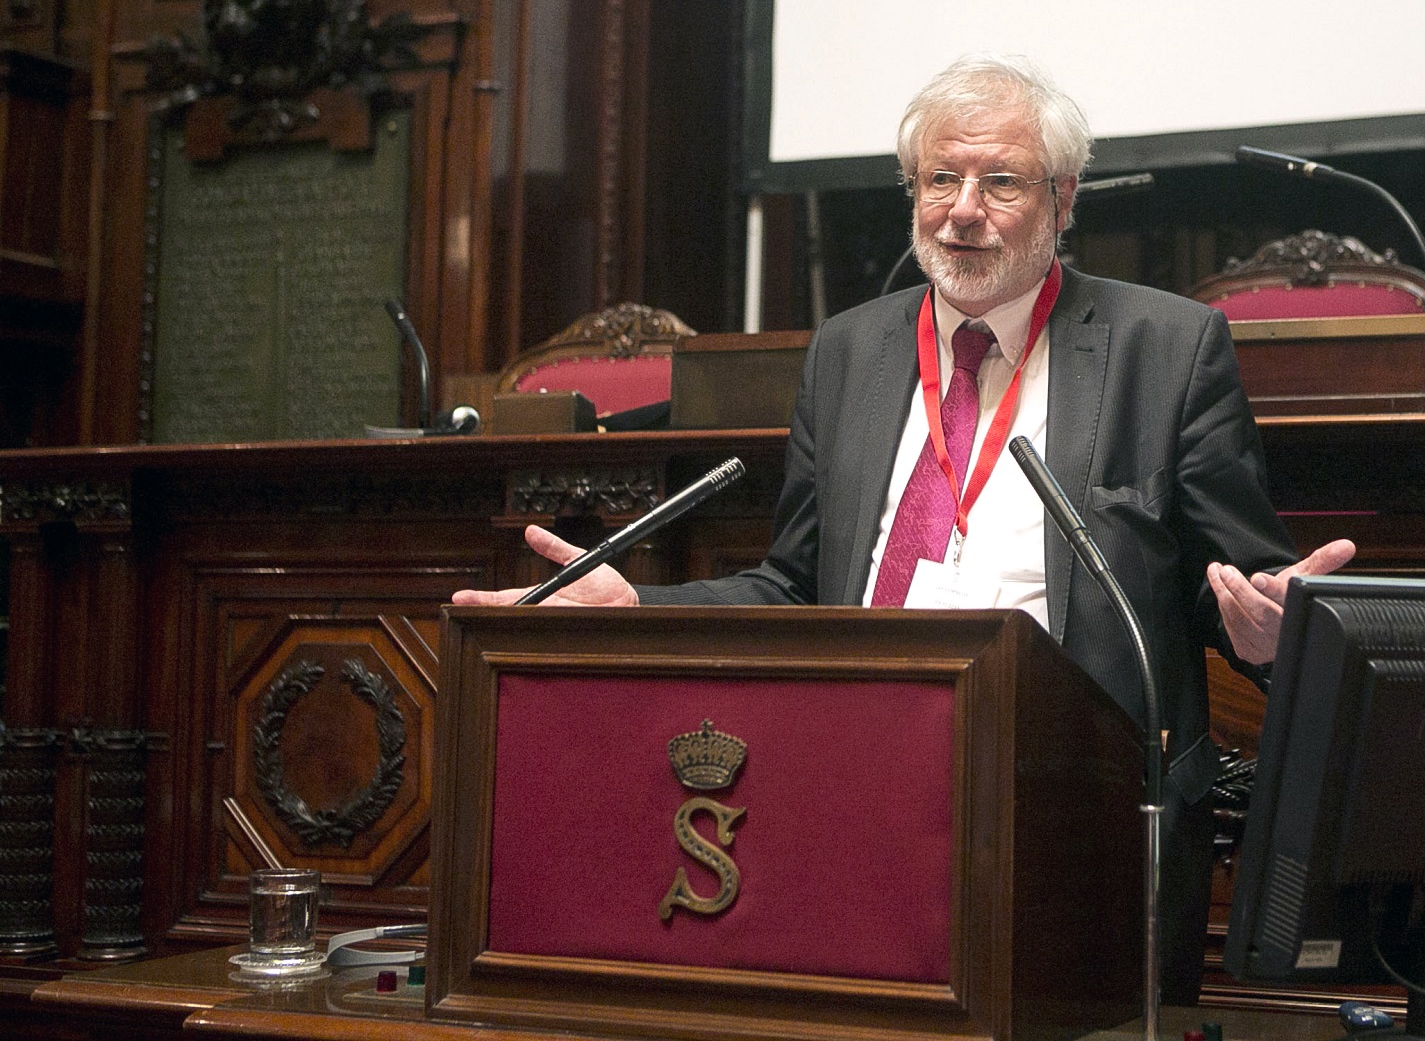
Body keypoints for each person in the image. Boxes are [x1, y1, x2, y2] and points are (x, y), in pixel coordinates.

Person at [454, 55, 1354, 1000]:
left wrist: (1264, 628)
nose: (963, 209)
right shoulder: (851, 349)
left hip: (1079, 811)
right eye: (939, 179)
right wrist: (636, 602)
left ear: (1063, 199)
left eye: (999, 181)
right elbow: (796, 587)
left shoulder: (1164, 349)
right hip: (858, 787)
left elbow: (1241, 593)